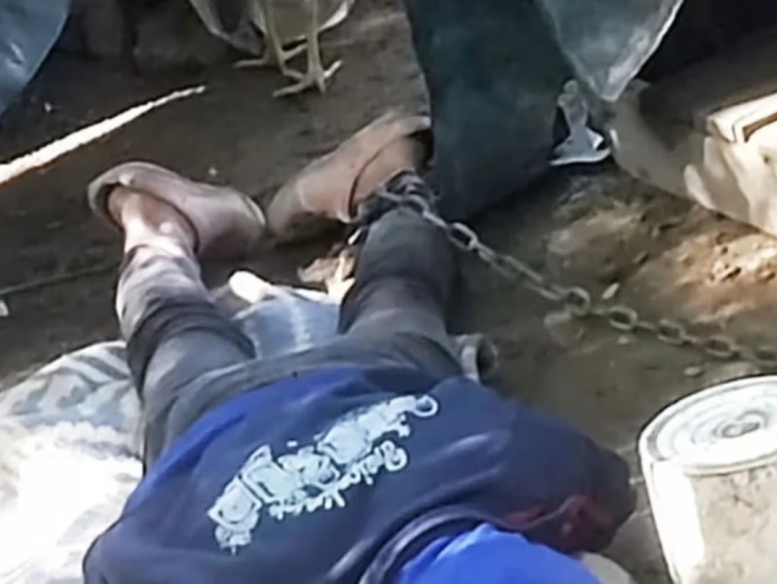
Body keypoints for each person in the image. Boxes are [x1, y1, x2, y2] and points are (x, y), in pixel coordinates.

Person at [82, 113, 636, 584]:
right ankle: (155, 226)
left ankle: (387, 175)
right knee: (174, 332)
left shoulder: (506, 463)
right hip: (219, 421)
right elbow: (110, 562)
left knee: (402, 290)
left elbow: (604, 484)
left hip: (370, 383)